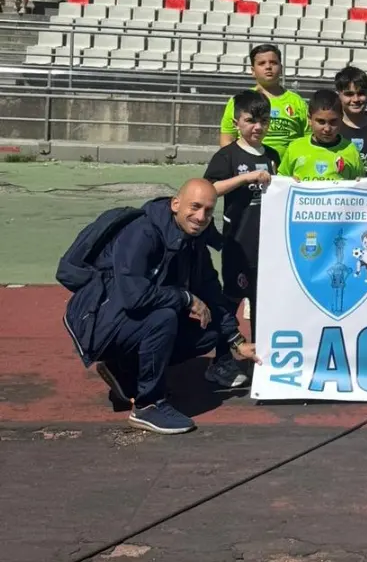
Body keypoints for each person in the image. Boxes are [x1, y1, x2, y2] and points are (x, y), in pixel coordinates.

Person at [59, 179, 260, 434]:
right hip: (97, 320)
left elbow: (210, 290)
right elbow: (133, 296)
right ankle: (148, 405)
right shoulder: (142, 232)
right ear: (176, 204)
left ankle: (124, 369)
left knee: (207, 332)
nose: (201, 217)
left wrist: (235, 340)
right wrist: (186, 298)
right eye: (195, 207)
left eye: (208, 211)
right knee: (164, 317)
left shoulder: (192, 240)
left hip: (127, 316)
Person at [203, 91, 278, 376]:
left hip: (269, 248)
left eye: (263, 121)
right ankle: (221, 360)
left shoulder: (272, 155)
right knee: (232, 299)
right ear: (237, 122)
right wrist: (245, 178)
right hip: (239, 245)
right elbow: (210, 188)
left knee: (264, 304)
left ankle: (263, 363)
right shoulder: (227, 155)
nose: (257, 127)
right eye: (250, 121)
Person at [218, 44, 307, 151]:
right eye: (261, 63)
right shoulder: (240, 101)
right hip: (250, 166)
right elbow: (227, 139)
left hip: (288, 167)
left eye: (273, 62)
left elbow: (308, 140)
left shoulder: (298, 102)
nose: (268, 67)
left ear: (281, 68)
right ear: (253, 71)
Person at [279, 90, 363, 182]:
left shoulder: (351, 150)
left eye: (333, 122)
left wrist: (360, 183)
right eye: (321, 122)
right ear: (309, 119)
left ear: (341, 117)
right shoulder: (295, 148)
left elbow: (360, 186)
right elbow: (280, 182)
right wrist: (287, 181)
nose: (327, 129)